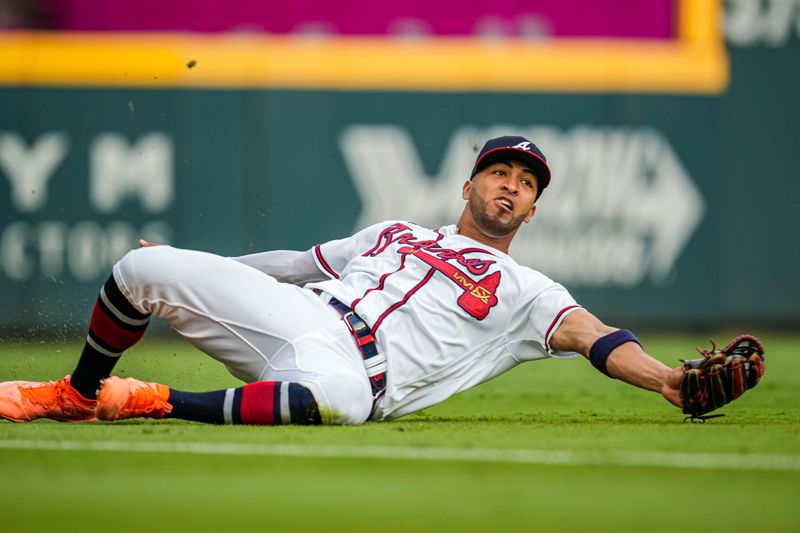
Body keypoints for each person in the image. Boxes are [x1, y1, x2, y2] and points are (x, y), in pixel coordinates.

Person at [0, 135, 684, 426]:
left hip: (362, 374)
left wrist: (666, 380)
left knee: (338, 405)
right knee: (141, 268)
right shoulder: (395, 230)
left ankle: (148, 398)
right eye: (500, 172)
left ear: (532, 210)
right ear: (469, 182)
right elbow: (294, 264)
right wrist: (200, 271)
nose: (511, 185)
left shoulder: (530, 290)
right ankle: (78, 393)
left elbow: (597, 336)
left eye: (526, 183)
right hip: (301, 313)